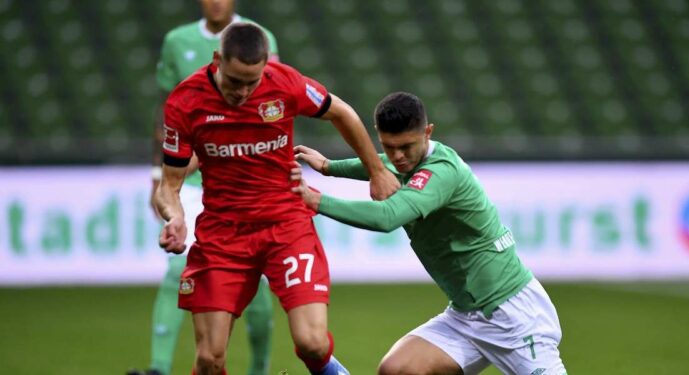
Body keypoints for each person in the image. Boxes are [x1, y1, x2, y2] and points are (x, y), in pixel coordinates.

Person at [155, 23, 400, 375]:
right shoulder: (185, 102)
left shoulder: (284, 83)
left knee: (312, 343)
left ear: (265, 66)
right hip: (223, 235)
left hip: (286, 225)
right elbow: (170, 184)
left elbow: (341, 112)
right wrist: (174, 217)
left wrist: (376, 170)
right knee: (209, 359)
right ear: (216, 59)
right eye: (234, 81)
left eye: (251, 83)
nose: (242, 92)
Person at [292, 92, 567, 375]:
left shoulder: (442, 171)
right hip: (465, 316)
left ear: (428, 132)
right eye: (389, 146)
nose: (398, 156)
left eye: (407, 146)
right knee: (397, 369)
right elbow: (381, 164)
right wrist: (329, 167)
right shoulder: (404, 161)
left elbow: (388, 216)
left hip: (512, 314)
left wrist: (315, 200)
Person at [130, 2, 280, 375]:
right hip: (193, 177)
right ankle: (159, 368)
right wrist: (158, 174)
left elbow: (275, 103)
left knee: (257, 283)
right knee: (177, 268)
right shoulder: (176, 41)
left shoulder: (258, 37)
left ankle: (259, 369)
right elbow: (166, 111)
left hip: (244, 178)